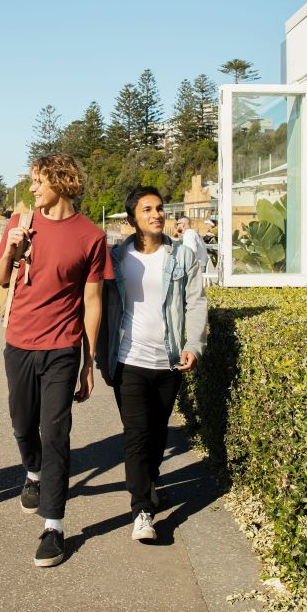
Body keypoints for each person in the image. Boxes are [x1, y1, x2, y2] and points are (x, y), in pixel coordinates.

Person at [0, 153, 112, 568]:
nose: (32, 188)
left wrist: (89, 360)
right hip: (19, 342)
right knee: (23, 424)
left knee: (56, 432)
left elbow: (91, 300)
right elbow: (0, 277)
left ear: (61, 180)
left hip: (63, 347)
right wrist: (13, 247)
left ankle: (54, 526)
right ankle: (33, 472)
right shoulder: (21, 223)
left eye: (38, 180)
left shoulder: (91, 236)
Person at [98, 187, 207, 542]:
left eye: (160, 208)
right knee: (137, 435)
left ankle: (150, 480)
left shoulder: (183, 256)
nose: (157, 214)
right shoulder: (116, 258)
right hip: (128, 360)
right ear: (133, 218)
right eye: (147, 209)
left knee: (158, 433)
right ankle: (142, 509)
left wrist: (194, 345)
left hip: (170, 361)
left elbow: (195, 303)